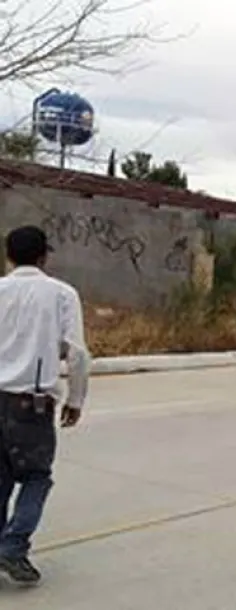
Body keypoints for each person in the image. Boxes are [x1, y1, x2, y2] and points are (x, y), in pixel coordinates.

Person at [0, 225, 90, 586]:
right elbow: (78, 353)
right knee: (36, 477)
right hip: (30, 404)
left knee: (1, 477)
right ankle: (13, 546)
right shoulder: (61, 294)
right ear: (43, 256)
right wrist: (76, 398)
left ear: (8, 256)